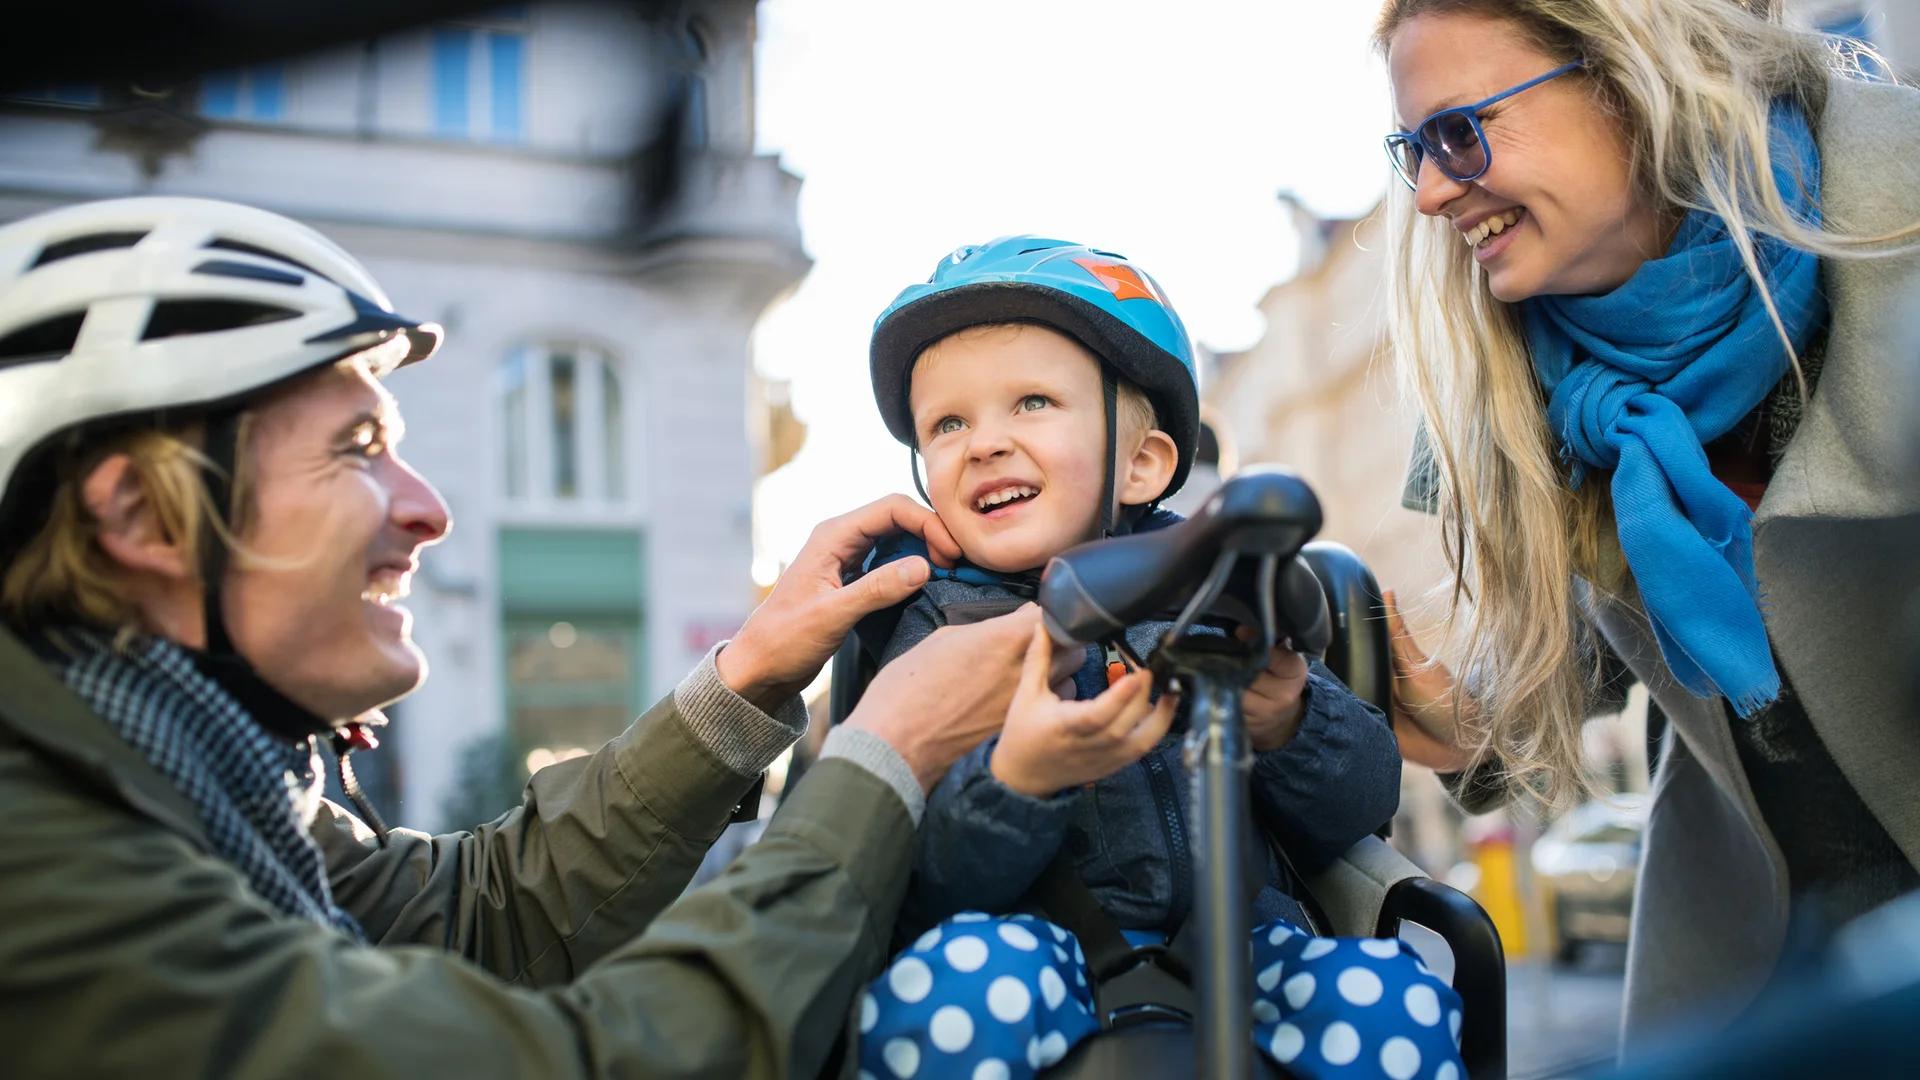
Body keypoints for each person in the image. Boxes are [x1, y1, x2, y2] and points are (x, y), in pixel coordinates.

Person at [0, 196, 1072, 1077]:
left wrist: (750, 673)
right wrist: (881, 760)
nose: (426, 508)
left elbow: (484, 916)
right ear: (140, 520)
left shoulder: (201, 781)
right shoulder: (40, 868)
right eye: (356, 448)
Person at [1368, 0, 1920, 1052]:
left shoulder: (1896, 215)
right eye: (1413, 150)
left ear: (1628, 76)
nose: (1434, 192)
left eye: (1459, 133)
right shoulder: (1534, 383)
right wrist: (1452, 716)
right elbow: (1582, 674)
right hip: (1764, 957)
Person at [852, 237, 1460, 1079]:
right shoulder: (934, 631)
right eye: (948, 423)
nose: (983, 443)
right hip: (1027, 952)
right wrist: (1019, 780)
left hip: (1245, 943)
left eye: (1030, 403)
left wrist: (1289, 721)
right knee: (941, 1000)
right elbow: (925, 879)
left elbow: (1358, 805)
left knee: (1397, 999)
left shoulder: (1225, 592)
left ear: (1141, 464)